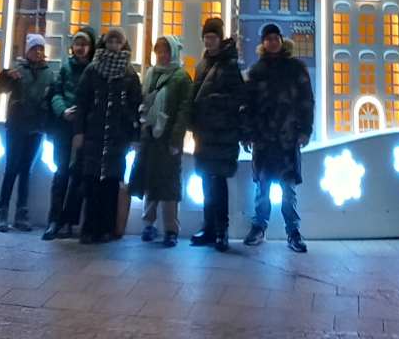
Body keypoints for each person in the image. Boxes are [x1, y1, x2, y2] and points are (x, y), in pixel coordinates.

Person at [242, 23, 313, 253]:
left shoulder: (295, 68)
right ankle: (259, 227)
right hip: (263, 139)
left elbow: (306, 101)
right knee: (262, 187)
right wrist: (247, 133)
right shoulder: (256, 71)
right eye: (268, 39)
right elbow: (248, 105)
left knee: (288, 189)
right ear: (263, 43)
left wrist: (305, 130)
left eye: (275, 38)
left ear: (281, 41)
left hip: (287, 138)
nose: (272, 42)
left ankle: (293, 231)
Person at [74, 25, 142, 243]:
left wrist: (133, 134)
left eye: (117, 42)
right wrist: (79, 131)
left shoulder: (129, 73)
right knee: (91, 182)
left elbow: (137, 105)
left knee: (112, 184)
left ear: (123, 44)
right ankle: (89, 228)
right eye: (110, 41)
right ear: (105, 43)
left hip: (117, 137)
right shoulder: (93, 70)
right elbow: (82, 103)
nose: (113, 46)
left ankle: (106, 228)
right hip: (94, 135)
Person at [130, 33, 192, 247]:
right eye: (159, 51)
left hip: (167, 138)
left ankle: (171, 228)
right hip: (149, 136)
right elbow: (142, 102)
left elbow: (184, 110)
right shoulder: (150, 74)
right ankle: (148, 224)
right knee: (150, 180)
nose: (162, 55)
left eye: (166, 51)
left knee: (169, 184)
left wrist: (176, 138)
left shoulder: (181, 77)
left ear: (173, 52)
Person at [189, 16, 244, 252]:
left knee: (218, 182)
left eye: (213, 37)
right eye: (207, 37)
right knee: (205, 182)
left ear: (220, 39)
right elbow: (194, 96)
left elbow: (239, 96)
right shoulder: (201, 65)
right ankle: (209, 227)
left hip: (222, 133)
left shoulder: (230, 65)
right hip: (204, 132)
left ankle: (222, 230)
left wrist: (215, 103)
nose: (209, 41)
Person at [0, 32, 53, 232]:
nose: (38, 52)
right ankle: (2, 211)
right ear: (28, 51)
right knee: (12, 167)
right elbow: (0, 88)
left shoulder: (48, 73)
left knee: (26, 170)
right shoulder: (18, 69)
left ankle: (21, 211)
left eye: (41, 49)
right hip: (17, 126)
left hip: (35, 128)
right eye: (35, 48)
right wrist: (5, 75)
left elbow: (50, 97)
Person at [42, 26, 95, 240]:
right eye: (77, 44)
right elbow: (55, 93)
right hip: (65, 129)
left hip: (84, 130)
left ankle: (70, 221)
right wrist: (63, 110)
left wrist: (82, 114)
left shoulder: (93, 70)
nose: (80, 48)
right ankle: (54, 220)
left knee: (79, 177)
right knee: (61, 173)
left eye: (84, 44)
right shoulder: (65, 68)